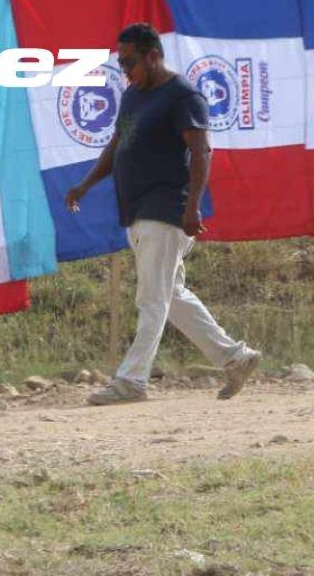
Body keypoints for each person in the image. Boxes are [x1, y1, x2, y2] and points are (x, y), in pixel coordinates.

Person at [64, 23, 261, 405]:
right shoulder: (133, 96)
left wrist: (191, 208)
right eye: (121, 63)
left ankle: (131, 381)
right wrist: (85, 185)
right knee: (171, 294)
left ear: (153, 55)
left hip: (166, 209)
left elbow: (202, 152)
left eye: (131, 62)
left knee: (151, 300)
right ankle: (235, 358)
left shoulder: (183, 97)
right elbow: (117, 144)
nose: (126, 70)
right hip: (137, 210)